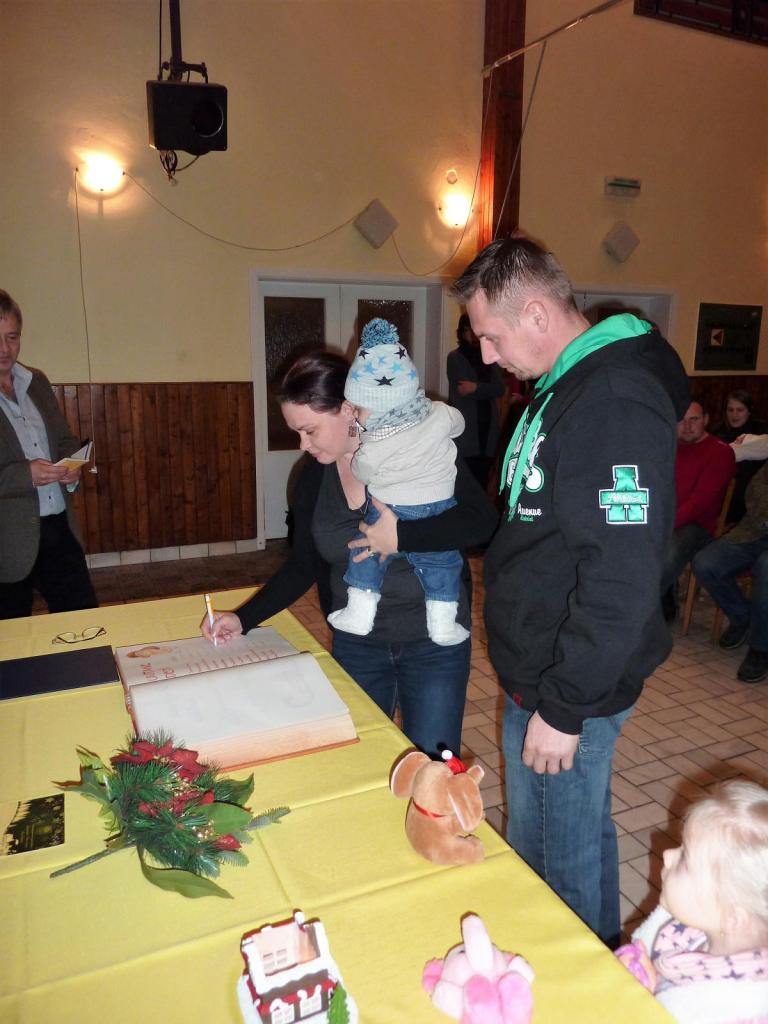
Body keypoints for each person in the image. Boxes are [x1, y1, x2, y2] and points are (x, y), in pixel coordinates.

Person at [450, 237, 689, 948]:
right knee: (566, 836)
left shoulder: (612, 400)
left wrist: (565, 705)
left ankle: (573, 982)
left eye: (490, 336)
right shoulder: (567, 385)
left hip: (568, 683)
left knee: (557, 862)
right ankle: (594, 966)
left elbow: (622, 572)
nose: (485, 355)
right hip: (546, 670)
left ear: (535, 313)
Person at [202, 349, 497, 757]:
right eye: (297, 433)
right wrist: (243, 617)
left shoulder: (418, 449)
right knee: (363, 761)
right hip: (358, 645)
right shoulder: (312, 479)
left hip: (433, 643)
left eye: (310, 430)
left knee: (433, 767)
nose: (303, 444)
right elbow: (304, 564)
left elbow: (481, 521)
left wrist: (402, 537)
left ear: (347, 409)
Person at [328, 318, 468, 646]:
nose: (357, 415)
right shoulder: (439, 412)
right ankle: (443, 626)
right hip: (440, 505)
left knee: (367, 554)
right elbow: (459, 424)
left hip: (392, 505)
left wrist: (359, 439)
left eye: (359, 409)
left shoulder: (375, 442)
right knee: (442, 562)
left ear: (374, 408)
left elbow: (362, 472)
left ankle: (359, 615)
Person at [615, 780, 768, 1023]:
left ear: (731, 918)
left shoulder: (727, 1011)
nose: (667, 855)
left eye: (685, 857)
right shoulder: (704, 924)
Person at [0, 289, 97, 619]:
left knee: (85, 626)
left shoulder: (37, 382)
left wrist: (72, 467)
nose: (4, 349)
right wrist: (25, 475)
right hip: (8, 538)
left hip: (59, 526)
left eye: (12, 337)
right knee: (12, 637)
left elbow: (64, 439)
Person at [692, 459, 768, 684]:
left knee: (765, 567)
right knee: (706, 563)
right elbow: (756, 487)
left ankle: (760, 647)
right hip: (756, 530)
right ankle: (743, 616)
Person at [660, 400, 734, 623]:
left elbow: (698, 504)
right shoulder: (667, 447)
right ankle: (660, 598)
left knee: (669, 550)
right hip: (665, 519)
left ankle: (642, 607)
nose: (687, 426)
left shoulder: (720, 452)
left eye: (694, 420)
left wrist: (661, 526)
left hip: (697, 526)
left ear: (706, 420)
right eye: (682, 420)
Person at [447, 313, 506, 492]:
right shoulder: (455, 357)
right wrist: (484, 389)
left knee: (484, 482)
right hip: (467, 432)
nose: (473, 335)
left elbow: (499, 388)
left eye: (477, 332)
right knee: (467, 486)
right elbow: (464, 390)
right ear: (462, 332)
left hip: (488, 431)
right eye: (469, 330)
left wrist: (476, 387)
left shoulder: (488, 357)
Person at [714, 389, 767, 525]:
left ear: (749, 411)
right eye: (730, 410)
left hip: (750, 488)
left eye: (740, 410)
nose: (734, 415)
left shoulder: (761, 431)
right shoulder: (718, 431)